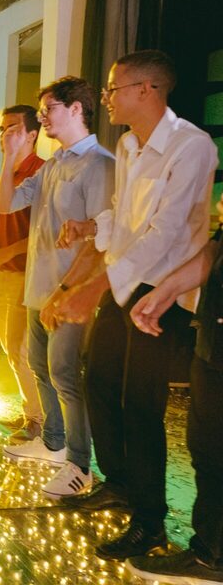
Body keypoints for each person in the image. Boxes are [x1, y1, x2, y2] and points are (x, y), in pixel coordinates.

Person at [50, 50, 217, 560]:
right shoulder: (127, 145)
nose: (106, 98)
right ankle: (121, 483)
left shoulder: (191, 145)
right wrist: (91, 227)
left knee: (141, 405)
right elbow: (124, 216)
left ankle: (149, 522)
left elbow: (165, 232)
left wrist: (94, 286)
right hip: (125, 283)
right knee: (99, 383)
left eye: (113, 88)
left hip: (163, 291)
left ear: (147, 90)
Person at [0, 77, 115, 500]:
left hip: (70, 291)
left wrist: (72, 290)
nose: (42, 117)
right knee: (39, 365)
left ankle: (80, 465)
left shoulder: (99, 164)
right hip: (39, 284)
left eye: (49, 109)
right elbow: (6, 204)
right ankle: (52, 443)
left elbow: (102, 237)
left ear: (76, 109)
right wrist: (9, 158)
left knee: (65, 373)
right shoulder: (52, 164)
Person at [126, 204, 223, 584]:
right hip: (213, 337)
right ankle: (210, 553)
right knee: (207, 449)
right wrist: (167, 290)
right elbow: (216, 249)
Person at [0, 106, 44, 441]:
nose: (5, 134)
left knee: (23, 350)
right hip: (5, 272)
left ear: (32, 134)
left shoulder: (42, 171)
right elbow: (12, 221)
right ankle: (31, 412)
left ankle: (39, 421)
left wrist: (10, 250)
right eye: (2, 128)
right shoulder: (7, 173)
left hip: (28, 273)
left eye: (14, 128)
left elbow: (45, 232)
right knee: (10, 349)